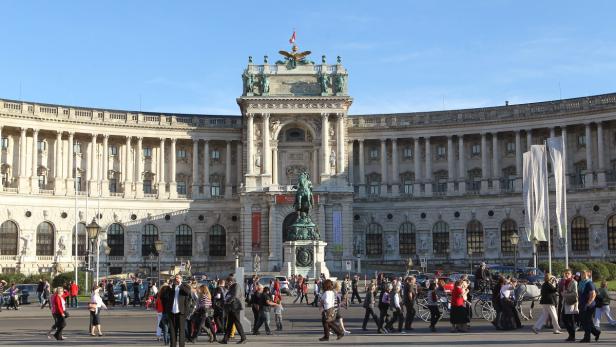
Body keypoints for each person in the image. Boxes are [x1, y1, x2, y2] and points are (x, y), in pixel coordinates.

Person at [162, 274, 192, 347]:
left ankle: (181, 345)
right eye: (175, 278)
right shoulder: (171, 287)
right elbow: (164, 297)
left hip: (181, 312)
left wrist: (180, 285)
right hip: (171, 312)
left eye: (178, 278)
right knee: (172, 331)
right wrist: (169, 288)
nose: (176, 279)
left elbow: (187, 292)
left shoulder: (185, 286)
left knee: (181, 331)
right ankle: (173, 345)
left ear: (181, 279)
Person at [220, 275, 246, 344]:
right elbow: (228, 296)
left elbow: (235, 296)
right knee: (229, 324)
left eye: (227, 282)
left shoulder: (236, 286)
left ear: (231, 281)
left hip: (235, 307)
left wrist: (227, 301)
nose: (226, 284)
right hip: (231, 308)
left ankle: (243, 338)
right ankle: (225, 339)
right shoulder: (231, 287)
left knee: (237, 323)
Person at [578, 269, 600, 342]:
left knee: (586, 321)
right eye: (581, 274)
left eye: (584, 274)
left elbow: (593, 294)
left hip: (589, 305)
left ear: (587, 274)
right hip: (582, 304)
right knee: (586, 321)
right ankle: (596, 332)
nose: (582, 275)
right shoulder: (581, 282)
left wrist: (588, 303)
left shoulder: (589, 283)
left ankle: (587, 338)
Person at [561, 269, 579, 342]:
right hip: (565, 302)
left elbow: (575, 294)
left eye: (568, 273)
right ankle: (571, 335)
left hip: (571, 303)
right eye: (565, 273)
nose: (566, 275)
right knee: (565, 319)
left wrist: (566, 294)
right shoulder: (565, 282)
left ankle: (572, 336)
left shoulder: (574, 282)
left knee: (570, 320)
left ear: (571, 274)